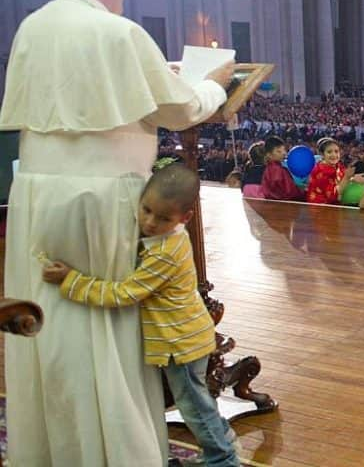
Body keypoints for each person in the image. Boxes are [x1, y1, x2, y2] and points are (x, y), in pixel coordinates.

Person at [0, 0, 232, 466]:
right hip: (99, 198)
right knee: (103, 327)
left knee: (51, 325)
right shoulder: (118, 31)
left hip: (36, 192)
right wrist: (216, 84)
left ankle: (50, 451)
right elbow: (181, 108)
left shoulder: (32, 28)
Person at [39, 164, 240, 467]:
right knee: (199, 401)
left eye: (163, 218)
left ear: (184, 218)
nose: (149, 222)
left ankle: (222, 459)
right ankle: (223, 441)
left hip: (180, 343)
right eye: (146, 210)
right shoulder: (168, 238)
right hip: (187, 335)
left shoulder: (164, 252)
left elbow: (124, 294)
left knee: (194, 407)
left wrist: (72, 280)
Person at [305, 138, 357, 204]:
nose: (334, 155)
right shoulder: (320, 171)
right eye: (329, 152)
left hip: (336, 206)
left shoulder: (338, 166)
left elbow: (343, 178)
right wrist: (347, 178)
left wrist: (354, 178)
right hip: (321, 209)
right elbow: (333, 195)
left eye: (336, 151)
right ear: (322, 154)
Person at [260, 136, 305, 201]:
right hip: (284, 206)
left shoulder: (268, 169)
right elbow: (290, 192)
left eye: (284, 150)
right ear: (269, 154)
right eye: (279, 151)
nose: (284, 153)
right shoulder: (278, 170)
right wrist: (303, 193)